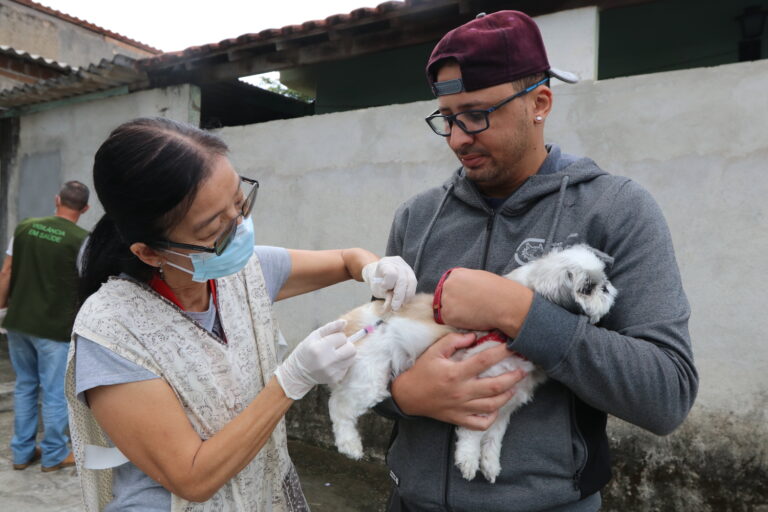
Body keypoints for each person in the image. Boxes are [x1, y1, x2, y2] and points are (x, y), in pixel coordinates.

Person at [375, 10, 698, 512]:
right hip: (408, 501)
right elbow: (367, 353)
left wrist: (518, 312)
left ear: (539, 103)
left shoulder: (616, 209)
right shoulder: (417, 218)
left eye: (477, 114)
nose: (459, 137)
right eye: (447, 117)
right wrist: (403, 395)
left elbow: (665, 393)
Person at [65, 117, 416, 512]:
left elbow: (346, 260)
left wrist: (375, 268)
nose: (241, 227)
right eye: (215, 228)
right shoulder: (112, 332)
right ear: (149, 252)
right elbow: (192, 477)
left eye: (240, 201)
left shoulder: (244, 272)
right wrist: (291, 381)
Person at [0, 180, 90, 472]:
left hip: (19, 322)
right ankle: (53, 455)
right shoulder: (82, 240)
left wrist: (2, 306)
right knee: (53, 391)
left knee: (25, 386)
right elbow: (86, 287)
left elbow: (7, 272)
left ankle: (22, 453)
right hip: (53, 328)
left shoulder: (25, 227)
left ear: (56, 200)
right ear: (85, 208)